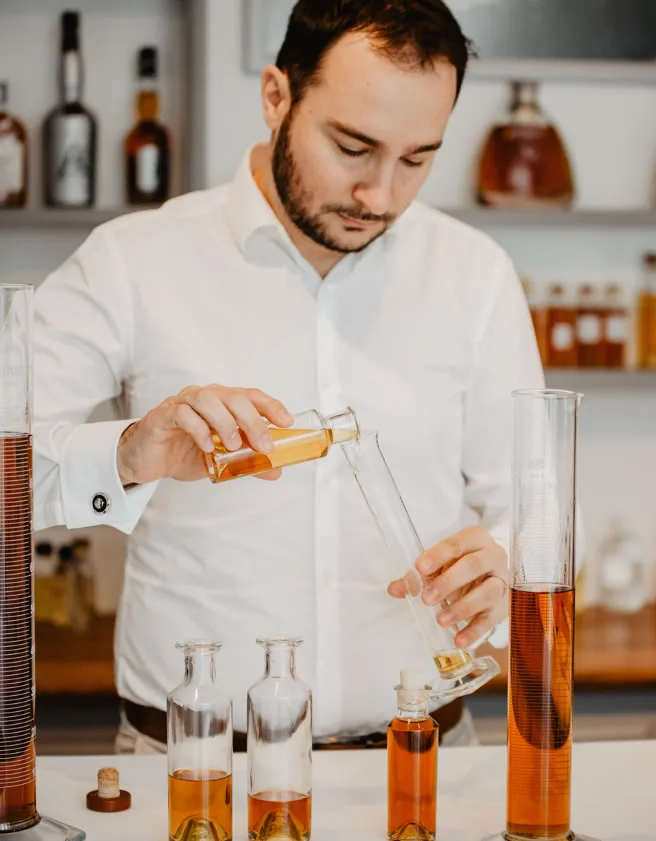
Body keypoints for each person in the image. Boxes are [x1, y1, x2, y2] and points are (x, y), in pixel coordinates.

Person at [33, 0, 543, 753]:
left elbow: (537, 505)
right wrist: (128, 453)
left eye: (416, 158)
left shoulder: (475, 274)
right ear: (277, 97)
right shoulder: (132, 262)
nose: (381, 195)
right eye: (352, 146)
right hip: (196, 767)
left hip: (425, 757)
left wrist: (510, 568)